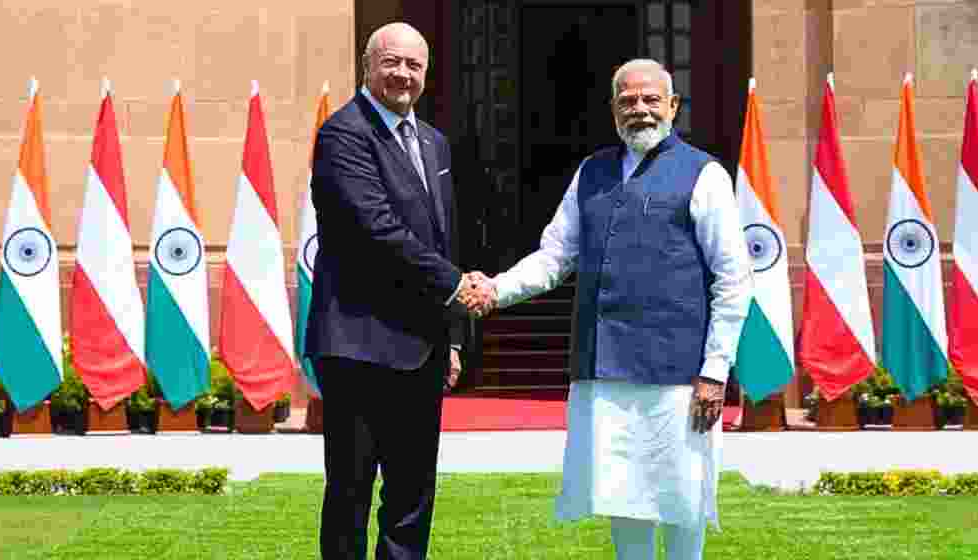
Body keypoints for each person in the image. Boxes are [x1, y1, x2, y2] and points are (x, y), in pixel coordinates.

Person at [472, 59, 752, 559]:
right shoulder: (591, 173)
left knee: (682, 497)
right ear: (613, 110)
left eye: (650, 99)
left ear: (673, 106)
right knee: (621, 494)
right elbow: (555, 256)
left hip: (678, 374)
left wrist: (715, 370)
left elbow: (733, 279)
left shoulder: (704, 174)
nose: (639, 110)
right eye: (628, 101)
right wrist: (496, 289)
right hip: (604, 367)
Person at [305, 22, 494, 560]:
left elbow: (445, 236)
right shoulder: (344, 134)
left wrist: (454, 336)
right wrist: (457, 286)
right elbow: (376, 228)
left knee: (412, 494)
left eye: (413, 65)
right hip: (359, 346)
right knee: (351, 492)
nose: (403, 75)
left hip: (424, 348)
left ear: (426, 73)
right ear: (367, 67)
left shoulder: (432, 141)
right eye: (391, 62)